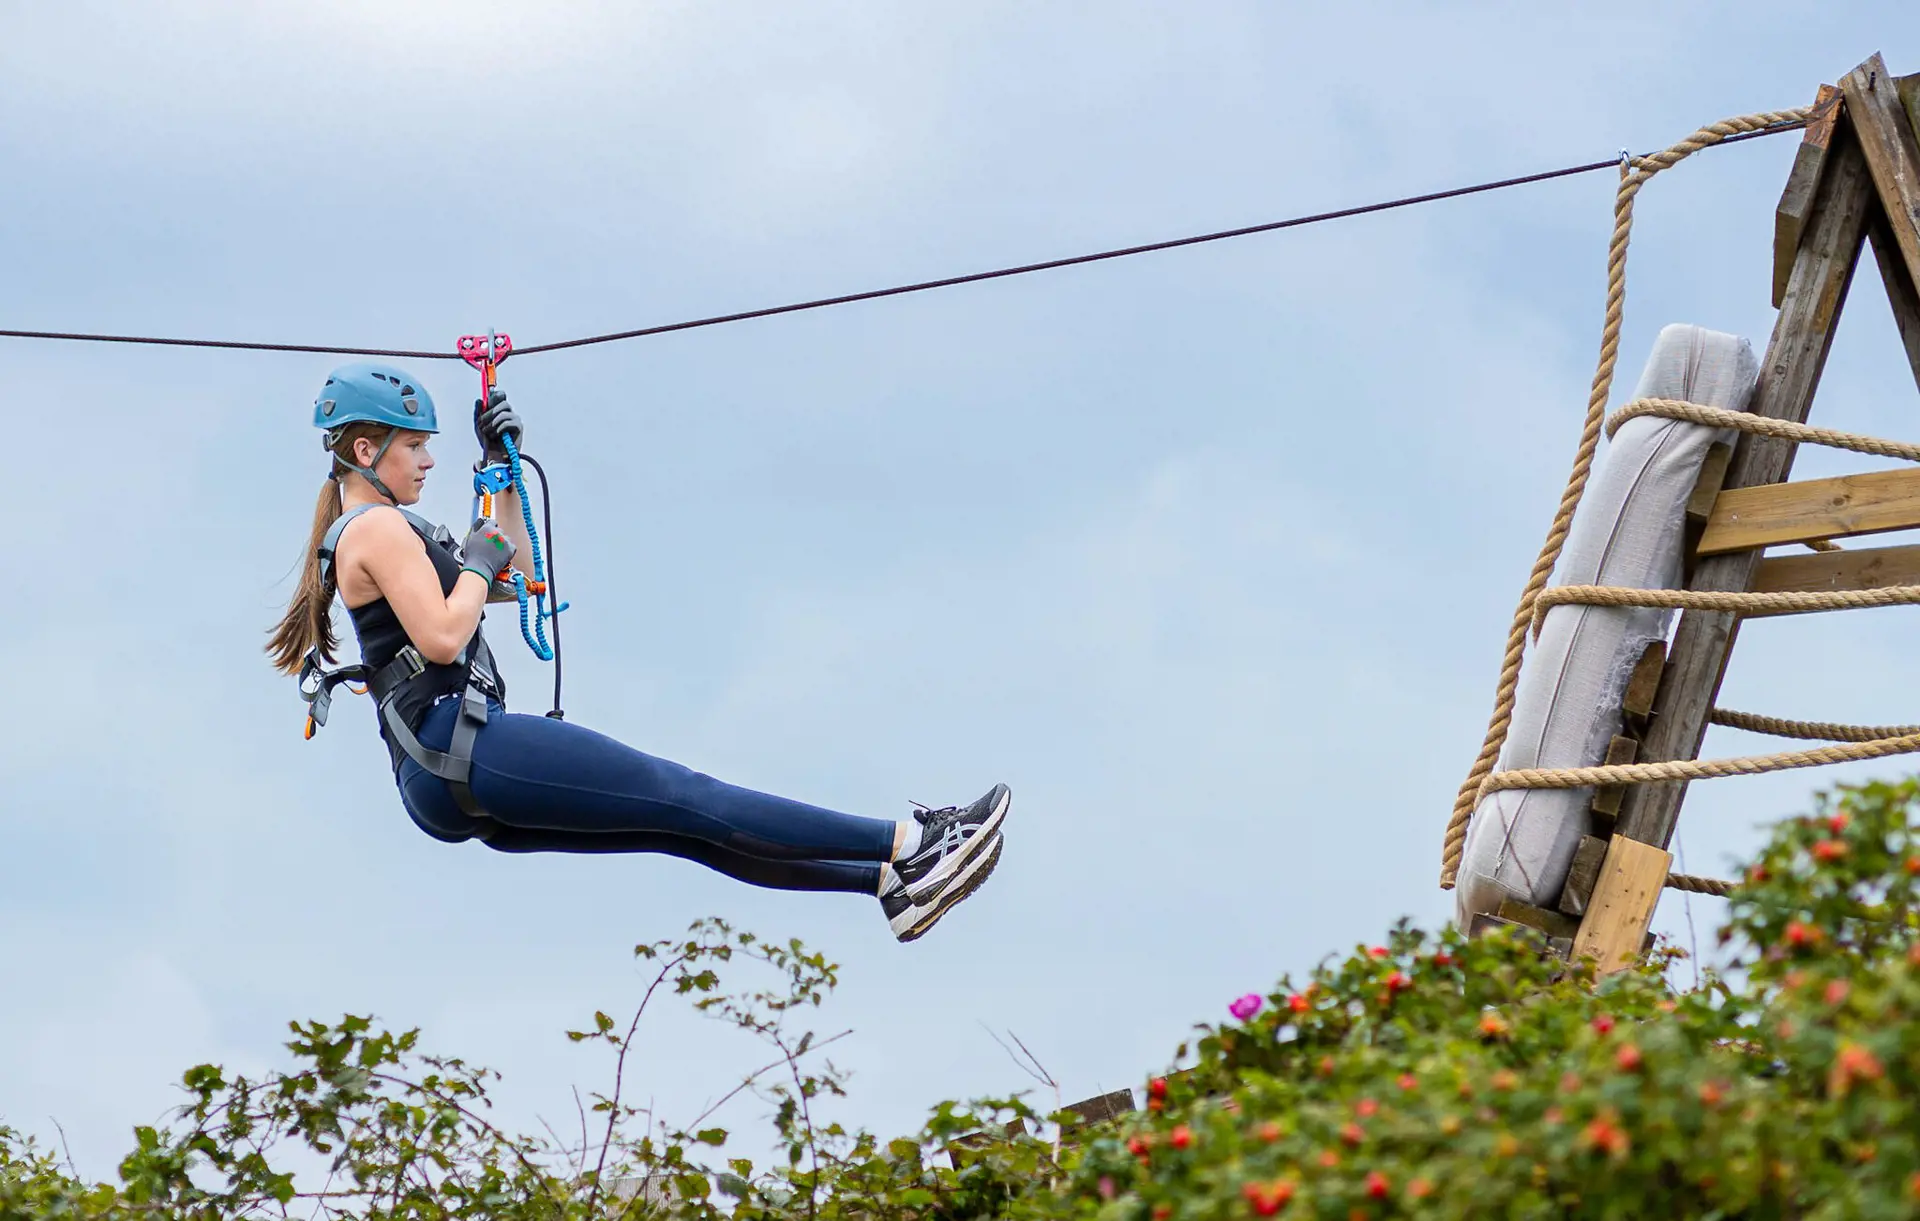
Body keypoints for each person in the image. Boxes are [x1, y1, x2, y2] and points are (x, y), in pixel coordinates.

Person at [266, 363, 1007, 942]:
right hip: (458, 744)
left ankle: (887, 885)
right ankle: (914, 841)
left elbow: (513, 577)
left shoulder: (386, 531)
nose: (428, 459)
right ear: (365, 452)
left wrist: (502, 473)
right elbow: (442, 633)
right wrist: (481, 565)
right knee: (683, 793)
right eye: (414, 446)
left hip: (440, 772)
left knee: (680, 826)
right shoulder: (375, 529)